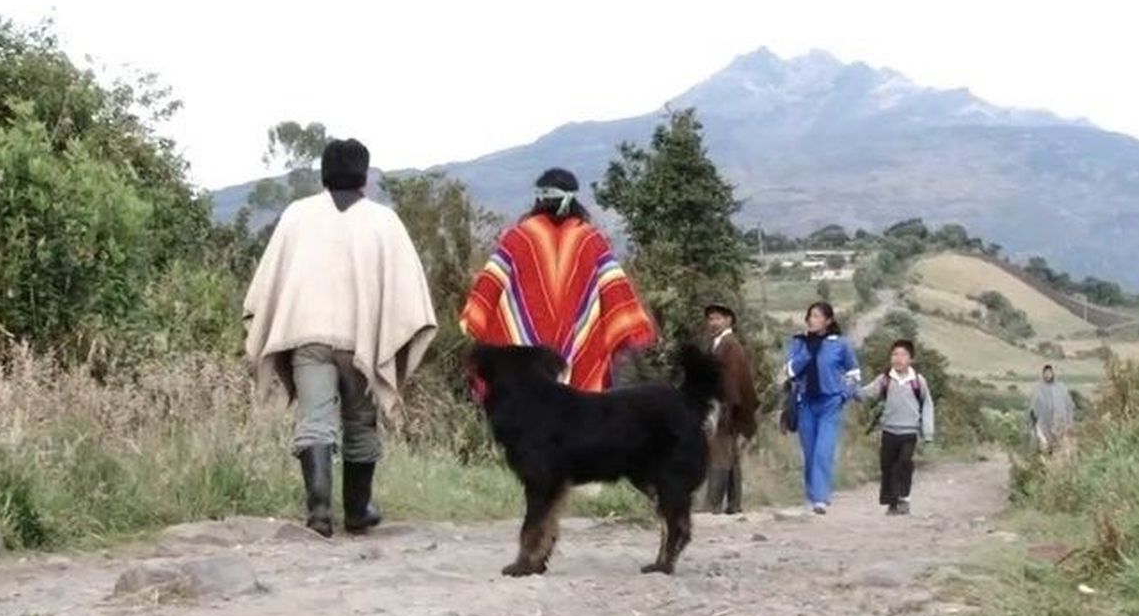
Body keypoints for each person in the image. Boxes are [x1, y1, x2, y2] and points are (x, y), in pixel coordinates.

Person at [243, 138, 438, 537]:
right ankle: (356, 511)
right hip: (361, 343)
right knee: (361, 423)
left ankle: (318, 512)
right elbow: (408, 296)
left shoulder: (297, 215)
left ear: (324, 173)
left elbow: (267, 285)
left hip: (306, 336)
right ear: (364, 176)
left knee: (313, 421)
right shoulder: (384, 221)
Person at [460, 168, 656, 391]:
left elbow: (486, 294)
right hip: (582, 354)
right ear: (573, 198)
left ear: (539, 198)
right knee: (579, 416)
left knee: (529, 415)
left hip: (524, 361)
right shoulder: (591, 239)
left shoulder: (517, 238)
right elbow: (617, 296)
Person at [785, 302, 861, 515]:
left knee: (822, 451)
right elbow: (790, 370)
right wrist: (806, 353)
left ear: (828, 321)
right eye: (810, 316)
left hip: (829, 403)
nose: (812, 320)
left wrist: (844, 394)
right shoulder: (799, 343)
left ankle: (821, 498)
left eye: (817, 316)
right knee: (809, 452)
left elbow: (854, 373)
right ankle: (811, 495)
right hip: (805, 403)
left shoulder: (840, 344)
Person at [857, 339, 936, 516]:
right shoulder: (885, 379)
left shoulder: (918, 381)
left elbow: (927, 405)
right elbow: (868, 393)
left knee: (904, 464)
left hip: (909, 432)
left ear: (911, 359)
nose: (898, 359)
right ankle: (892, 503)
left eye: (903, 355)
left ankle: (904, 498)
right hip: (889, 431)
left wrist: (928, 432)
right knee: (888, 467)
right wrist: (848, 390)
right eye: (895, 354)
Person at [702, 303, 758, 514]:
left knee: (719, 454)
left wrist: (725, 409)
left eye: (717, 318)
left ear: (728, 320)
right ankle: (734, 504)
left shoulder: (730, 345)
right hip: (725, 406)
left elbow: (732, 380)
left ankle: (713, 504)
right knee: (731, 456)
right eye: (710, 319)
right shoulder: (718, 343)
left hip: (726, 407)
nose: (713, 322)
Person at [1029, 364, 1075, 453]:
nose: (1048, 375)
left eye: (1049, 373)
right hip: (1044, 423)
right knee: (1045, 446)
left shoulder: (1061, 388)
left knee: (1059, 446)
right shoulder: (1038, 389)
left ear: (1053, 373)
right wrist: (1033, 422)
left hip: (1060, 422)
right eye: (1046, 373)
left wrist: (1069, 420)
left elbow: (1069, 405)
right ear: (1043, 374)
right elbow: (1033, 406)